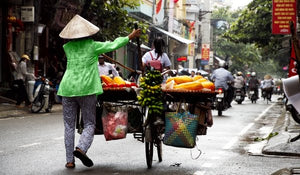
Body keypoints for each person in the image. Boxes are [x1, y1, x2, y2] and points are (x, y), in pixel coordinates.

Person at [57, 14, 140, 169]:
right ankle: (81, 148)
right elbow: (113, 45)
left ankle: (69, 160)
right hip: (87, 88)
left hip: (67, 89)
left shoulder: (67, 47)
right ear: (88, 33)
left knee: (68, 125)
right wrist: (131, 36)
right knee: (89, 122)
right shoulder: (93, 46)